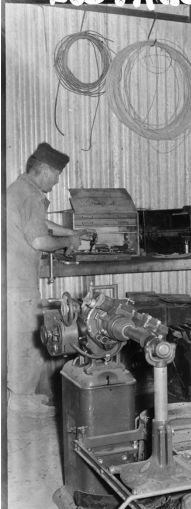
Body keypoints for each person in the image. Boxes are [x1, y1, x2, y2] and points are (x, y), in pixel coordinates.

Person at [6, 142, 91, 417]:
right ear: (44, 170)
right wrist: (67, 243)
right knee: (27, 340)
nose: (56, 182)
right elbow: (40, 239)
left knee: (20, 338)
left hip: (10, 280)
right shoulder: (30, 196)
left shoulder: (19, 190)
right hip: (18, 283)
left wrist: (71, 233)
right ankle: (21, 399)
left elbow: (40, 224)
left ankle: (19, 396)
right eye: (56, 175)